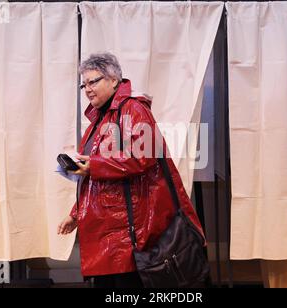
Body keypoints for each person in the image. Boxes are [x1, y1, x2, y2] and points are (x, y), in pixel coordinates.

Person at [57, 52, 205, 288]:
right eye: (83, 84)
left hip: (130, 233)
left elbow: (142, 156)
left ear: (114, 80)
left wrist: (94, 166)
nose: (87, 89)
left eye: (93, 81)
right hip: (109, 231)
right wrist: (76, 214)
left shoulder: (133, 109)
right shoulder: (101, 117)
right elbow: (96, 179)